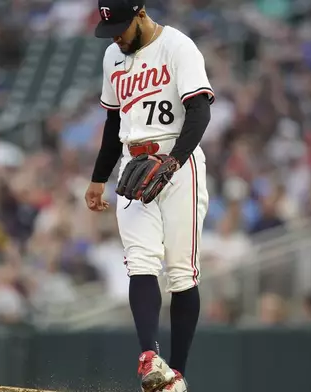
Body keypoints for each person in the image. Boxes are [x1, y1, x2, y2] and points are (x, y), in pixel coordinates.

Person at [84, 0, 214, 391]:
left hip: (179, 162)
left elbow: (199, 113)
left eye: (122, 27)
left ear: (141, 14)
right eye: (111, 30)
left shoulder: (178, 46)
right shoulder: (112, 56)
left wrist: (173, 162)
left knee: (180, 272)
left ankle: (177, 375)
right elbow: (113, 120)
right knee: (139, 261)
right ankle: (149, 358)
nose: (118, 37)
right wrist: (98, 177)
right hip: (132, 164)